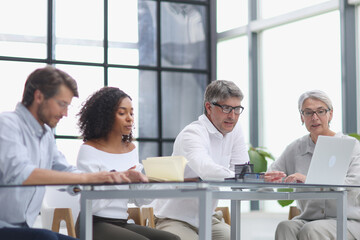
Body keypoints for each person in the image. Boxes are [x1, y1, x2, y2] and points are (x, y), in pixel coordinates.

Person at [0, 66, 147, 240]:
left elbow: (66, 171)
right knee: (49, 238)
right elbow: (20, 173)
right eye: (62, 104)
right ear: (39, 97)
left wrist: (111, 176)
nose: (65, 113)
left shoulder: (45, 135)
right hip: (4, 226)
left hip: (23, 228)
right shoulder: (7, 124)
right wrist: (87, 178)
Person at [75, 87, 180, 240]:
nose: (130, 118)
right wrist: (121, 179)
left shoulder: (131, 149)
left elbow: (137, 199)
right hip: (93, 222)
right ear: (106, 116)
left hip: (120, 222)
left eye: (131, 113)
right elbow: (91, 204)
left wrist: (162, 182)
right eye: (122, 113)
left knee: (172, 239)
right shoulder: (89, 150)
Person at [151, 80, 250, 240]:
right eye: (226, 108)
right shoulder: (192, 134)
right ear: (209, 107)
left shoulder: (234, 129)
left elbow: (242, 168)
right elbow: (206, 170)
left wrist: (259, 177)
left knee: (233, 237)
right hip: (174, 219)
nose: (232, 116)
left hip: (208, 218)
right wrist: (242, 175)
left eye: (237, 109)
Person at [265, 90, 360, 240]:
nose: (314, 118)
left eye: (320, 111)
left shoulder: (352, 146)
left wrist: (309, 179)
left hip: (348, 221)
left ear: (331, 114)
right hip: (309, 219)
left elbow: (354, 183)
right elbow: (272, 173)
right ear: (302, 117)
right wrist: (273, 178)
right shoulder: (295, 148)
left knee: (311, 230)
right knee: (285, 227)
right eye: (308, 113)